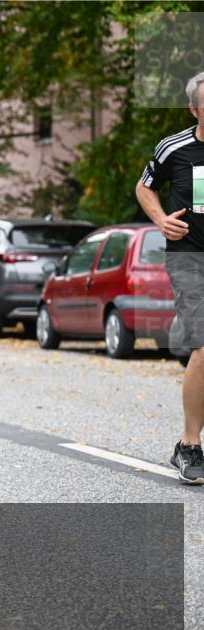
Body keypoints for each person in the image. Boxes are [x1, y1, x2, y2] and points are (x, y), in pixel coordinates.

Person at [135, 70, 204, 485]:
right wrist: (161, 220)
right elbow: (145, 188)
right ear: (195, 109)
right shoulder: (173, 148)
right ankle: (190, 444)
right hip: (190, 258)